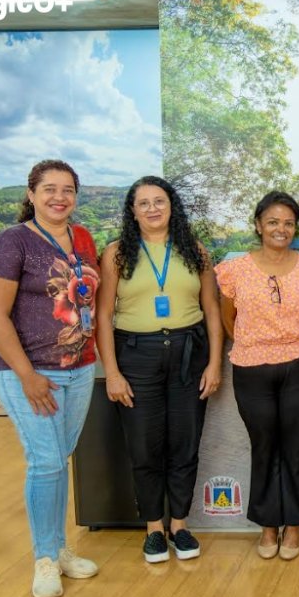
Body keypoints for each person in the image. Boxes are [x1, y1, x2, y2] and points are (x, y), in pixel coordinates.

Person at [0, 160, 101, 597]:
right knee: (46, 462)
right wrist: (28, 375)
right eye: (49, 189)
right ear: (30, 194)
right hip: (30, 373)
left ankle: (61, 548)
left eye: (68, 189)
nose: (59, 197)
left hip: (80, 368)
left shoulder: (83, 238)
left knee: (59, 461)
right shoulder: (10, 243)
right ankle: (45, 560)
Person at [95, 176, 222, 563]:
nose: (152, 209)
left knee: (185, 443)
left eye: (159, 201)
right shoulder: (116, 254)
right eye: (143, 203)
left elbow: (213, 310)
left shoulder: (194, 251)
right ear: (132, 211)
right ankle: (153, 529)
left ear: (172, 207)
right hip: (135, 356)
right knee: (145, 446)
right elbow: (102, 316)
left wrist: (215, 363)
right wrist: (112, 373)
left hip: (189, 352)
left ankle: (180, 526)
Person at [215, 191, 299, 561]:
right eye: (273, 222)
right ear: (258, 225)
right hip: (251, 369)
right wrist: (255, 343)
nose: (281, 229)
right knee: (264, 447)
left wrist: (284, 339)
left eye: (288, 223)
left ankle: (293, 526)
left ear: (294, 228)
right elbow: (227, 317)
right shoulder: (236, 269)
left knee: (296, 447)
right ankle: (267, 526)